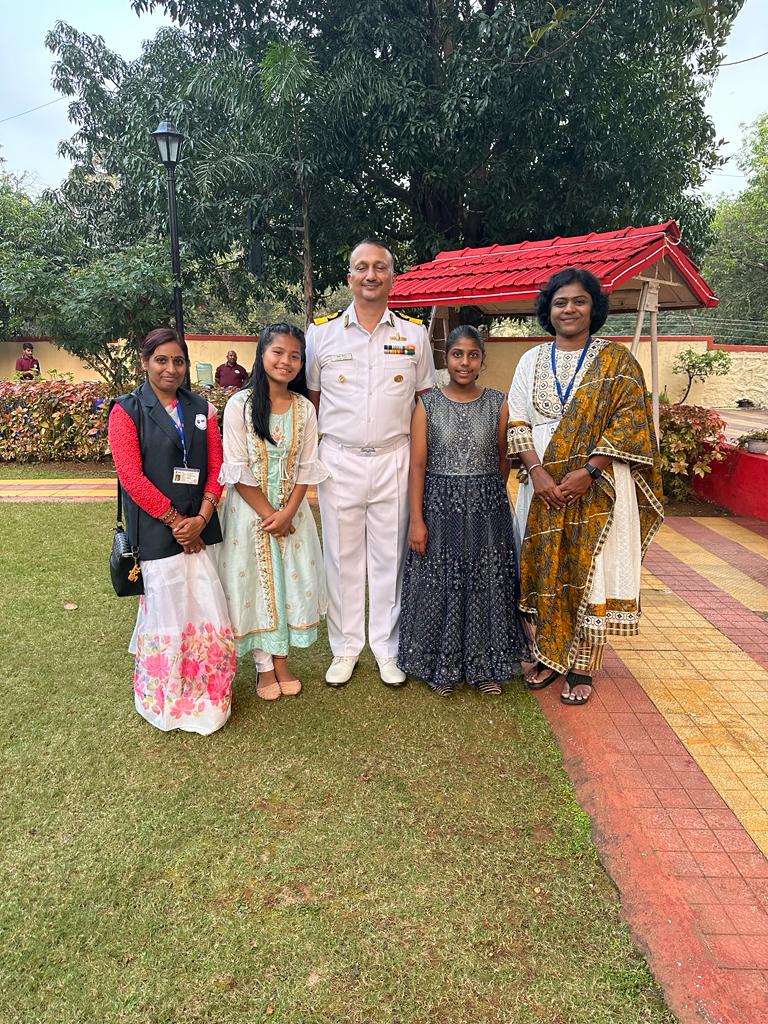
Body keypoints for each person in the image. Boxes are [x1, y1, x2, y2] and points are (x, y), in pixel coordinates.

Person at [507, 268, 664, 706]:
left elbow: (630, 424)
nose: (569, 309)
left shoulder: (617, 362)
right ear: (548, 310)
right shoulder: (531, 360)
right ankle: (548, 656)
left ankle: (582, 665)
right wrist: (538, 474)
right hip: (539, 487)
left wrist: (589, 472)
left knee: (590, 572)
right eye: (560, 302)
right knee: (546, 568)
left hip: (600, 487)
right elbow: (517, 420)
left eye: (578, 301)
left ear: (593, 308)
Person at [306, 237, 435, 688]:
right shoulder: (320, 333)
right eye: (362, 267)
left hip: (394, 458)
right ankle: (344, 647)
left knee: (389, 558)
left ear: (392, 277)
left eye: (380, 267)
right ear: (349, 276)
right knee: (340, 558)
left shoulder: (414, 334)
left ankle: (387, 647)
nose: (371, 275)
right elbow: (314, 401)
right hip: (338, 458)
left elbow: (423, 403)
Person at [108, 327, 236, 734]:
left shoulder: (202, 409)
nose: (171, 368)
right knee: (167, 614)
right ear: (144, 362)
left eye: (178, 361)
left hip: (201, 525)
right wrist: (177, 522)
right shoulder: (126, 411)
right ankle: (166, 698)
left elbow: (218, 467)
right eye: (161, 360)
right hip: (158, 534)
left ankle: (209, 696)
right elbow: (131, 476)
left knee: (205, 607)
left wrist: (201, 516)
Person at [397, 326, 530, 696]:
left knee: (486, 582)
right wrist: (417, 520)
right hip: (439, 507)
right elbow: (418, 466)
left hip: (488, 510)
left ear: (482, 360)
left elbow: (503, 460)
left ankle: (485, 666)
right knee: (442, 582)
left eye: (473, 355)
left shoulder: (498, 402)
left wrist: (485, 493)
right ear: (446, 358)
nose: (465, 363)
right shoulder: (427, 405)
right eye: (458, 354)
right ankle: (442, 666)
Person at [218, 324, 327, 700]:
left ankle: (283, 662)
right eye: (278, 352)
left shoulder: (305, 409)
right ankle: (265, 668)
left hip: (292, 516)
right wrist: (270, 514)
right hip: (250, 516)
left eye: (295, 356)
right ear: (262, 353)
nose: (286, 361)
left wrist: (290, 512)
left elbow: (308, 467)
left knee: (287, 585)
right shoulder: (240, 406)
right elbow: (236, 469)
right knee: (254, 587)